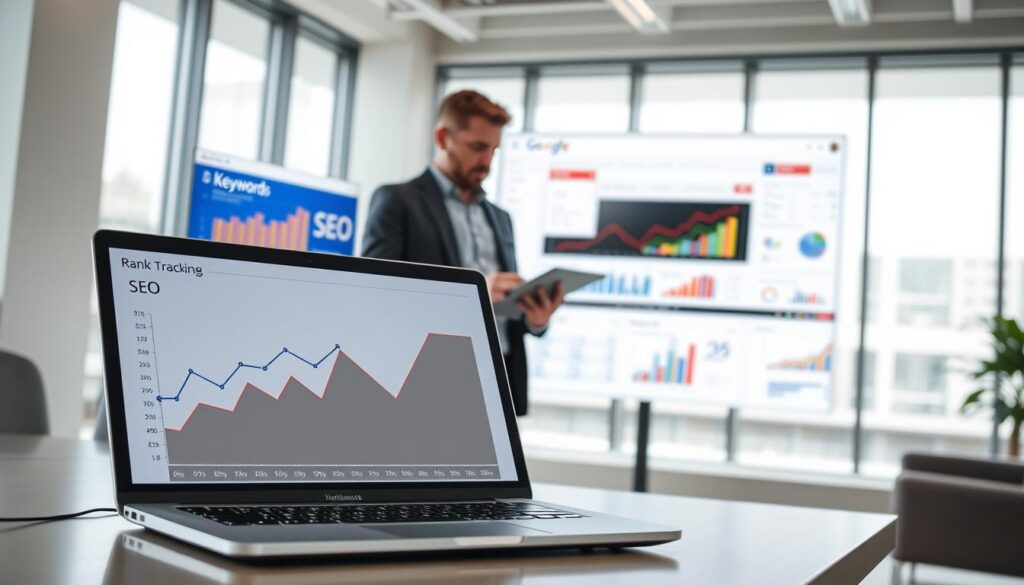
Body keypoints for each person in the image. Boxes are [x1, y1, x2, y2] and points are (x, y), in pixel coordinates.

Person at [361, 90, 563, 416]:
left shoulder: (500, 218)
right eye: (478, 147)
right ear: (443, 138)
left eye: (494, 150)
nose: (487, 161)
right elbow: (376, 292)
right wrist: (474, 287)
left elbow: (506, 308)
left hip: (499, 377)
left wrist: (535, 319)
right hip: (428, 377)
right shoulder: (398, 201)